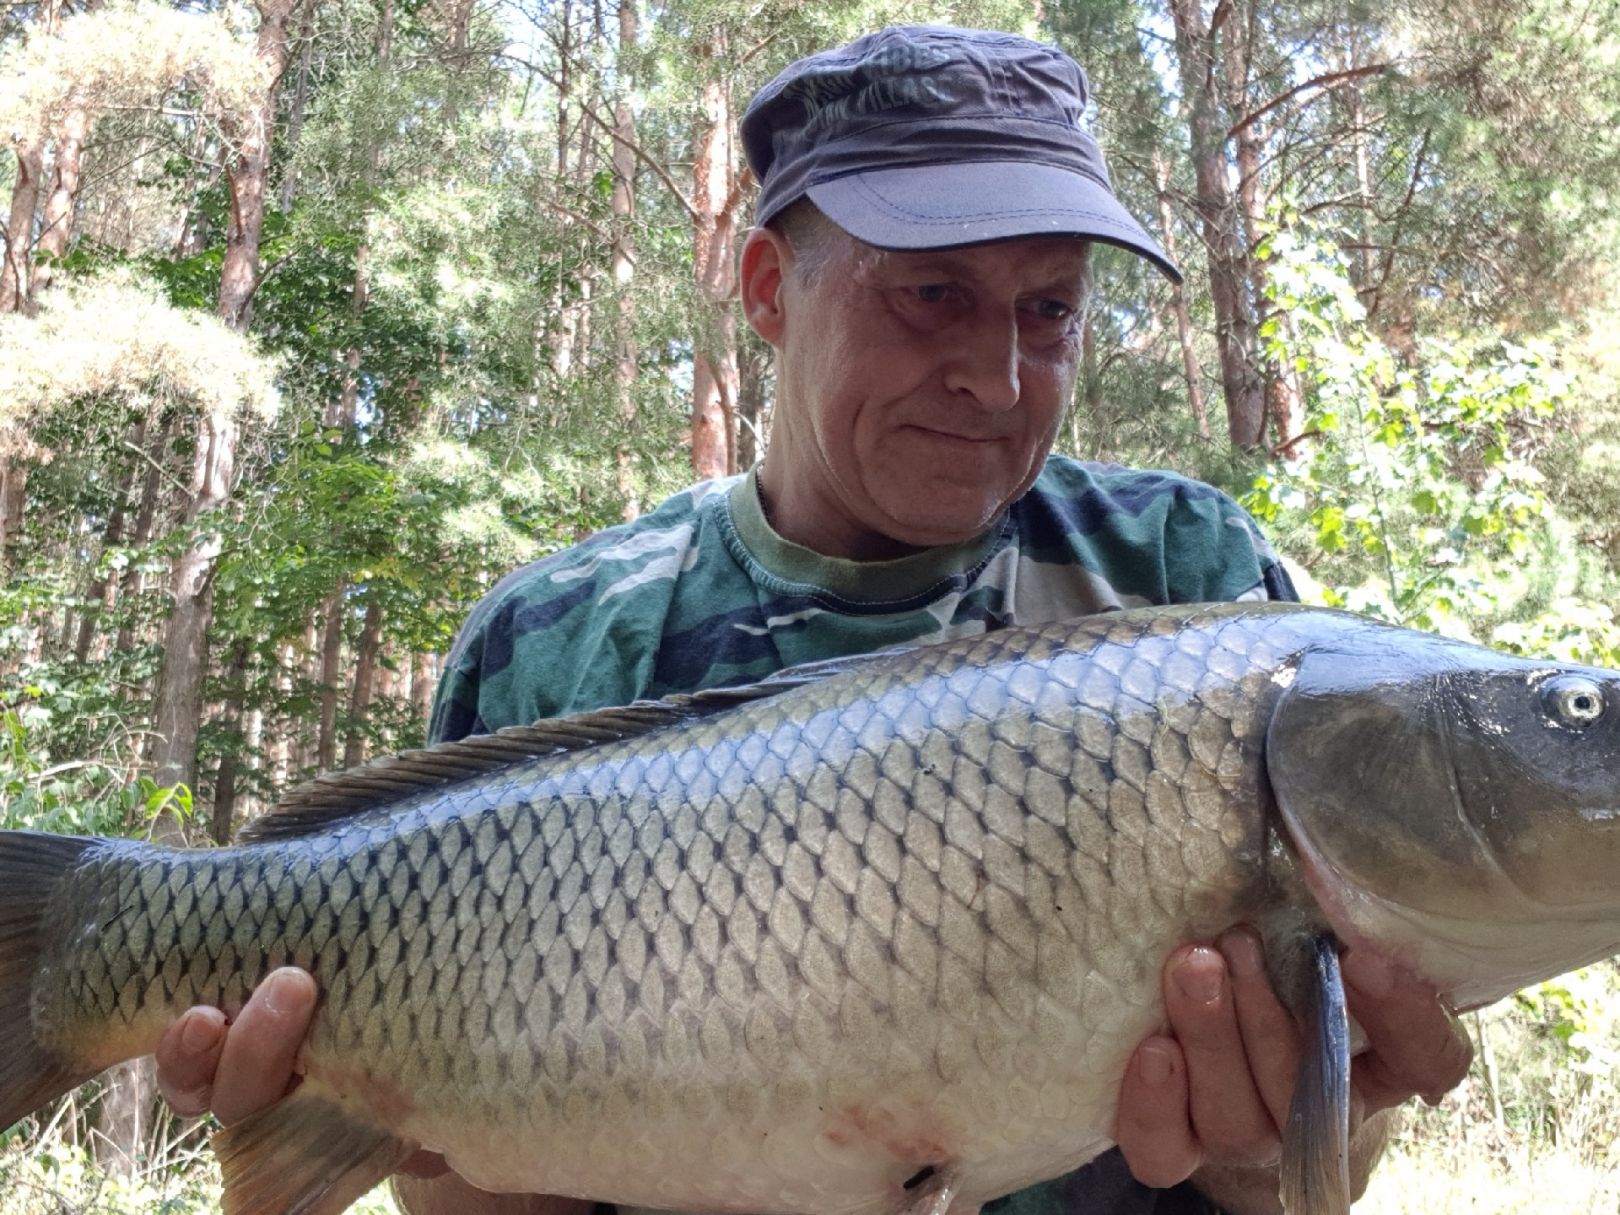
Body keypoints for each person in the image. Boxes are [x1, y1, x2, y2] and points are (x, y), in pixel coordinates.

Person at [153, 25, 1471, 1215]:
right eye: (933, 295)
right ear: (773, 287)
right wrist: (398, 1121)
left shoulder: (1189, 579)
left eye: (1049, 308)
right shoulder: (557, 639)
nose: (997, 375)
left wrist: (1287, 1139)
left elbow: (1312, 1184)